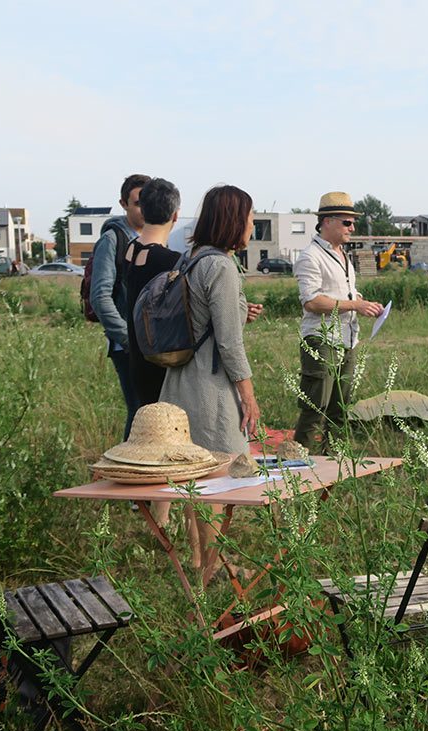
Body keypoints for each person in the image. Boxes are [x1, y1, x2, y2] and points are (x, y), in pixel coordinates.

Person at [160, 185, 263, 581]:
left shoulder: (191, 258)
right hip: (210, 388)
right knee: (217, 481)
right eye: (250, 217)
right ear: (235, 220)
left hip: (179, 381)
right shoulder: (220, 266)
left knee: (193, 478)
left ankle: (201, 560)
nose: (253, 225)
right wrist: (248, 395)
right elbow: (229, 341)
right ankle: (212, 567)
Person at [292, 192, 383, 453]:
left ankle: (334, 464)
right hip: (321, 340)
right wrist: (355, 305)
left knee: (340, 409)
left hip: (347, 339)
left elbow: (340, 293)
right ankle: (297, 467)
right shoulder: (310, 256)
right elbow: (312, 302)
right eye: (347, 222)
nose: (352, 228)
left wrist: (364, 302)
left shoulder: (341, 254)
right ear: (327, 221)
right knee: (315, 409)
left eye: (352, 222)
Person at [90, 173, 149, 437]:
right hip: (127, 346)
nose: (144, 208)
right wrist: (127, 339)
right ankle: (128, 472)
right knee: (139, 412)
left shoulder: (153, 237)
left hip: (151, 344)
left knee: (153, 412)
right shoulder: (113, 240)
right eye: (137, 203)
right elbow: (100, 297)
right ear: (123, 204)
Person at [124, 177, 182, 407]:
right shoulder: (170, 261)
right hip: (162, 363)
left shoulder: (130, 250)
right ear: (175, 215)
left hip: (137, 360)